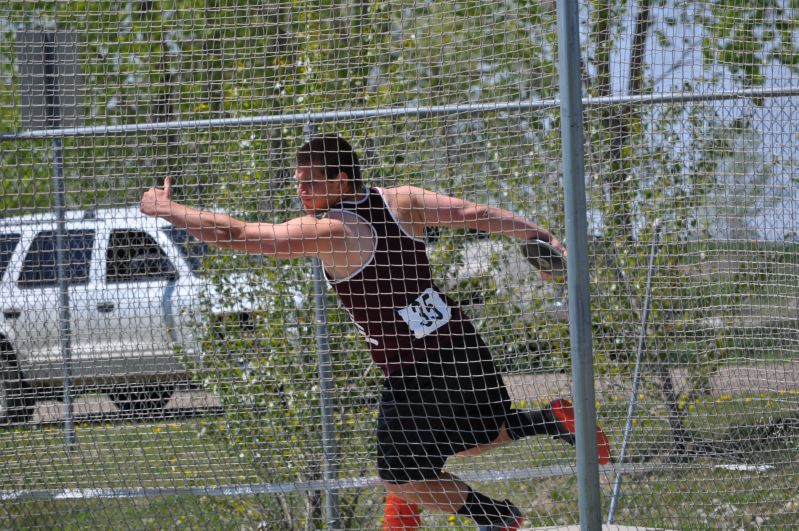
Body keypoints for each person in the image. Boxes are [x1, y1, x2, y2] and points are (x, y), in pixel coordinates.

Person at [140, 135, 610, 530]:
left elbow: (239, 236)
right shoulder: (400, 199)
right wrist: (537, 233)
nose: (302, 193)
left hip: (415, 369)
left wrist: (168, 210)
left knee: (400, 475)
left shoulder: (331, 229)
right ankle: (552, 421)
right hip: (462, 345)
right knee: (483, 435)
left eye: (312, 183)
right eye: (298, 183)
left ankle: (497, 517)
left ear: (341, 179)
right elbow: (472, 213)